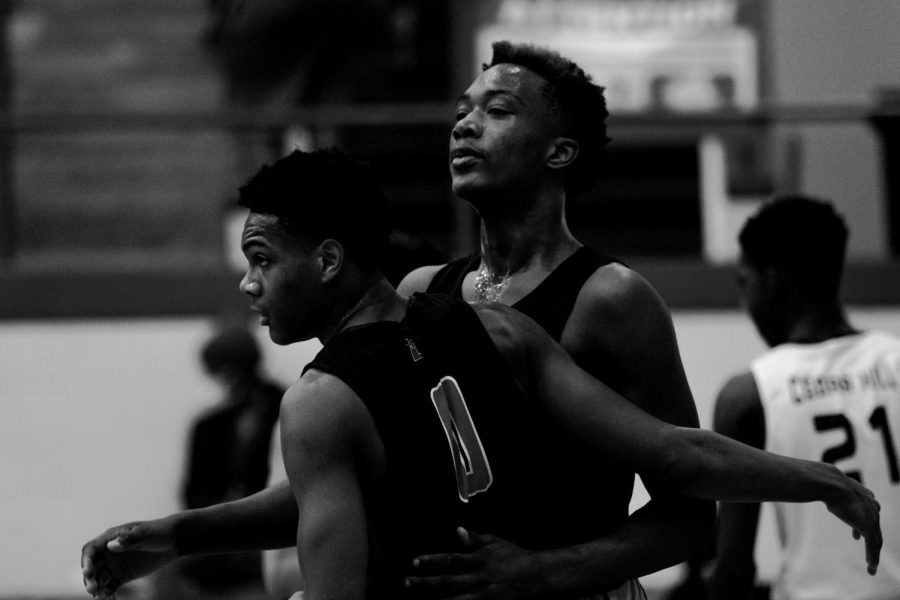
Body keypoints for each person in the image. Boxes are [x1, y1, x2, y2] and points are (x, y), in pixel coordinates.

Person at [81, 149, 882, 600]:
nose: (248, 285)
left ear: (327, 261)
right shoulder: (493, 325)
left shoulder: (321, 402)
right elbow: (674, 453)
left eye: (260, 262)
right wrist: (819, 481)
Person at [396, 40, 711, 597]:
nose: (465, 127)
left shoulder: (611, 298)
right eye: (461, 111)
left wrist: (546, 571)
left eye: (496, 111)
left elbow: (690, 516)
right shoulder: (422, 290)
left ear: (559, 152)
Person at [706, 195, 900, 600]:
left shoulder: (750, 394)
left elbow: (734, 568)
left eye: (746, 284)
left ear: (772, 280)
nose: (746, 304)